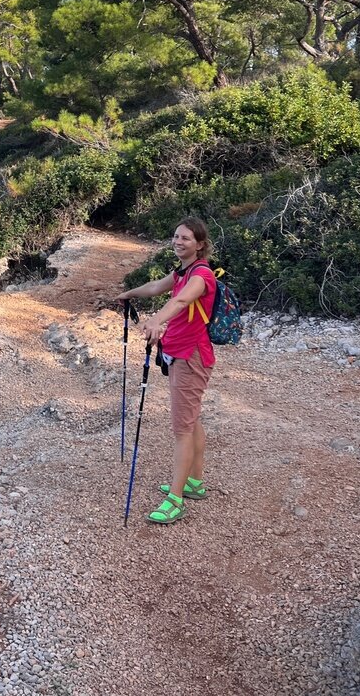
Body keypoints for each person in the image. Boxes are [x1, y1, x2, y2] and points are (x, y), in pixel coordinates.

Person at [117, 217, 217, 524]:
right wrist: (130, 293)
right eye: (176, 236)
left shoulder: (201, 275)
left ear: (199, 244)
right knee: (192, 418)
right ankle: (194, 483)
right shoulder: (182, 272)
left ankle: (175, 500)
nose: (178, 241)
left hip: (191, 357)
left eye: (186, 238)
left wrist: (157, 320)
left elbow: (182, 300)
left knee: (181, 429)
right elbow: (158, 287)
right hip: (181, 355)